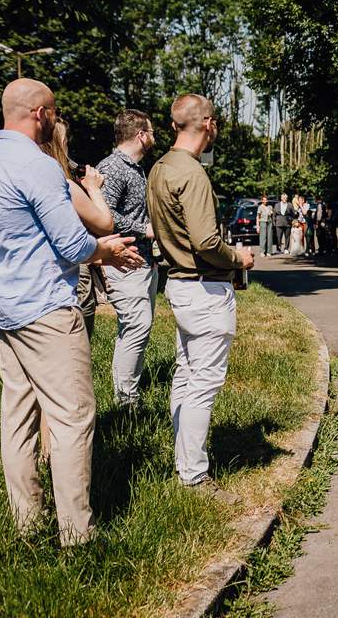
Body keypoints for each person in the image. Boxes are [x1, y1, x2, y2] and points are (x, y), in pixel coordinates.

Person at [0, 78, 142, 545]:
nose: (55, 119)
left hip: (2, 305)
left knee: (17, 417)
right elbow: (72, 242)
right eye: (53, 111)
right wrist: (106, 252)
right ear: (39, 113)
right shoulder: (36, 166)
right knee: (73, 417)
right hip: (47, 308)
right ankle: (77, 534)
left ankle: (26, 525)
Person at [148, 94, 253, 497]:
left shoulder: (159, 169)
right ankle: (193, 476)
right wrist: (239, 258)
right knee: (203, 383)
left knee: (186, 373)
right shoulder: (191, 173)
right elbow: (207, 240)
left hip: (178, 283)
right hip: (204, 287)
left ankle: (184, 457)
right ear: (208, 123)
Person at [97, 109, 159, 408]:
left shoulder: (136, 168)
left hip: (143, 261)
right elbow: (102, 216)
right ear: (141, 135)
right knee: (137, 325)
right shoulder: (113, 167)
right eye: (152, 131)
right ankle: (126, 402)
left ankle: (128, 393)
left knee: (138, 327)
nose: (154, 137)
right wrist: (144, 229)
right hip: (124, 261)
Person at [41, 120, 114, 339]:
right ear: (58, 144)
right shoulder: (63, 183)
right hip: (72, 265)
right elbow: (105, 224)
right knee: (81, 317)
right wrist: (93, 189)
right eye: (65, 142)